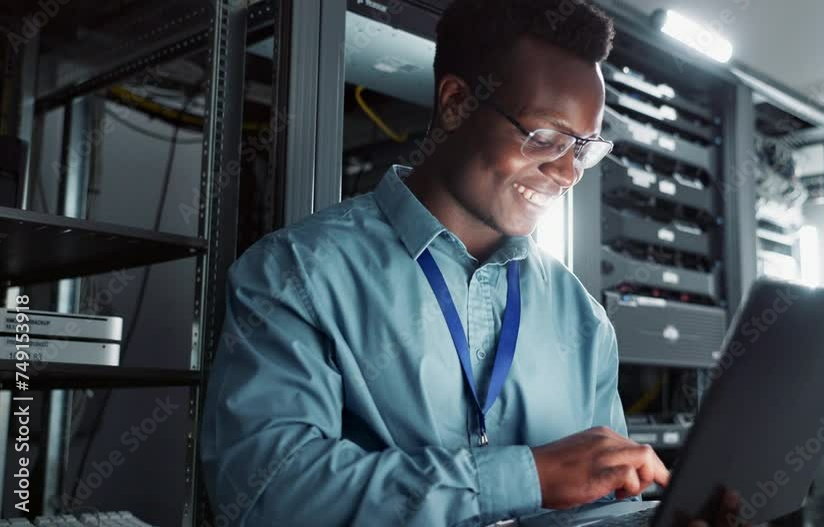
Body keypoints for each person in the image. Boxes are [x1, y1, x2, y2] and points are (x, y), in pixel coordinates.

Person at [201, 0, 743, 525]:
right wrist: (526, 476)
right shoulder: (297, 273)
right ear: (457, 103)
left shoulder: (581, 316)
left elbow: (601, 506)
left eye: (583, 147)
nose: (568, 172)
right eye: (545, 138)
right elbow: (262, 494)